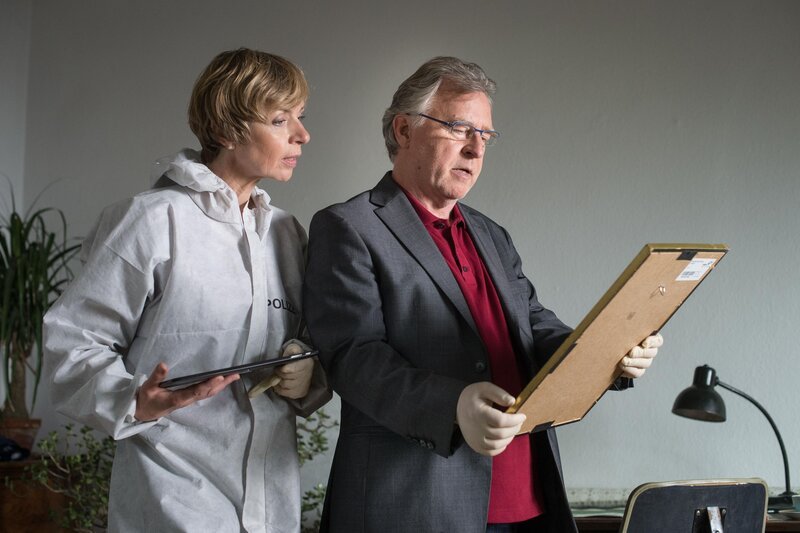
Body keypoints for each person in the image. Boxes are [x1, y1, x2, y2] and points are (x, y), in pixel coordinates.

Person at [302, 56, 662, 533]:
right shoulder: (349, 227)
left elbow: (533, 328)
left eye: (485, 135)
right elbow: (353, 358)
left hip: (528, 501)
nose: (475, 149)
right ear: (404, 129)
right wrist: (453, 405)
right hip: (415, 507)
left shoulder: (491, 234)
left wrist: (606, 353)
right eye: (458, 128)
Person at [43, 48, 330, 533]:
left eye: (299, 118)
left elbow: (306, 342)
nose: (302, 135)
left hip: (272, 501)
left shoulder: (286, 234)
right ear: (226, 129)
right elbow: (70, 345)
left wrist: (306, 370)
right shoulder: (150, 220)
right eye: (280, 120)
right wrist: (135, 399)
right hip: (171, 500)